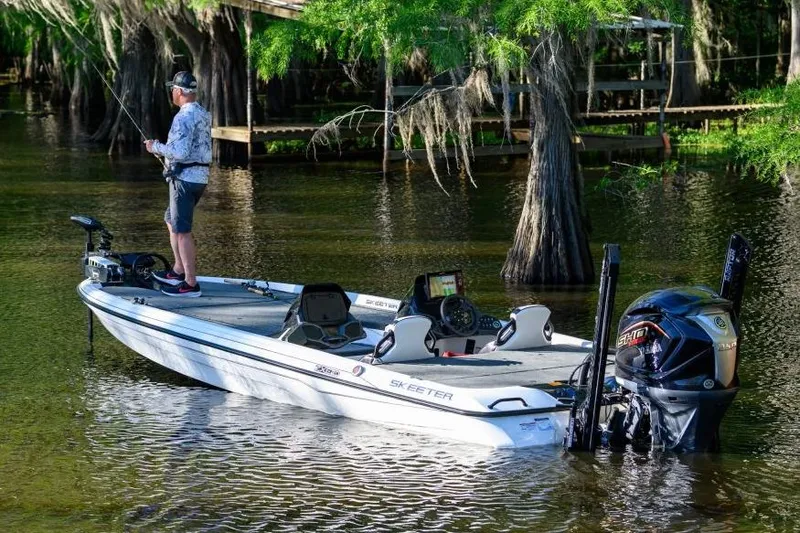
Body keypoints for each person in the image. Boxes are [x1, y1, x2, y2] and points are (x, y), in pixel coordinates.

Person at [145, 71, 211, 297]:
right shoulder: (203, 113)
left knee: (182, 231)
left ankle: (190, 283)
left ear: (180, 92)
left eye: (173, 89)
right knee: (170, 220)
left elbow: (181, 152)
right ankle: (178, 268)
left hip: (184, 180)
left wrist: (156, 147)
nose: (171, 92)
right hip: (199, 178)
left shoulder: (183, 117)